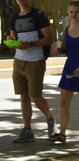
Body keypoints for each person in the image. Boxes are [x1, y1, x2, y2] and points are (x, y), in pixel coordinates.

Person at [47, 1, 79, 144]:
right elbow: (65, 48)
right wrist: (59, 50)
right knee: (63, 103)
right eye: (71, 12)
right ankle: (62, 134)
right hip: (69, 68)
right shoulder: (66, 30)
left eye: (76, 11)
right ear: (68, 13)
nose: (74, 14)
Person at [9, 0, 56, 143]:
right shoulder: (14, 17)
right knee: (23, 97)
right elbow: (13, 36)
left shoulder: (38, 14)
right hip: (18, 61)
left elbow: (49, 39)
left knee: (35, 96)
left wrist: (31, 44)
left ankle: (50, 120)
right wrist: (10, 40)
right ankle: (27, 129)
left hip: (36, 60)